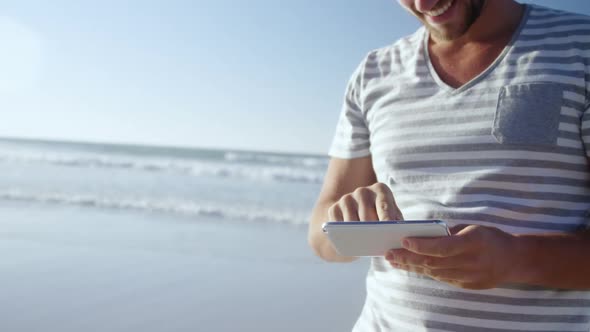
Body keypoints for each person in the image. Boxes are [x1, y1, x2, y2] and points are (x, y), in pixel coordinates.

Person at [308, 0, 590, 330]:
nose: (423, 3)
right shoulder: (374, 71)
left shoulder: (580, 47)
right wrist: (346, 220)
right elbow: (321, 238)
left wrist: (518, 259)